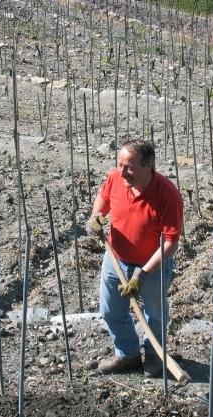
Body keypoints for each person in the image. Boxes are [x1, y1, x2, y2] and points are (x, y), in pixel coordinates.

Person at [85, 139, 184, 377]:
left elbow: (170, 243)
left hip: (153, 266)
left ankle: (154, 353)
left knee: (155, 314)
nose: (122, 172)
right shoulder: (116, 178)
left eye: (129, 167)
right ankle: (127, 354)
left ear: (149, 165)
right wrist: (96, 216)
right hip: (116, 258)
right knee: (110, 310)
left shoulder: (167, 195)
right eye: (120, 165)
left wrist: (143, 273)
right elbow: (103, 198)